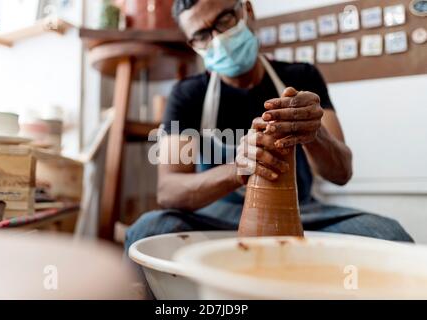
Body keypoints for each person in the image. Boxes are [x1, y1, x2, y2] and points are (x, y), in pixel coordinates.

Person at [125, 0, 413, 248]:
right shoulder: (187, 94)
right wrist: (237, 169)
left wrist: (315, 134)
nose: (217, 39)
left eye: (224, 20)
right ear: (193, 44)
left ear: (246, 10)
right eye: (202, 34)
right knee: (147, 231)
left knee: (389, 236)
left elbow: (341, 173)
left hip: (300, 211)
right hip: (215, 216)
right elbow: (168, 190)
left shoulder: (301, 78)